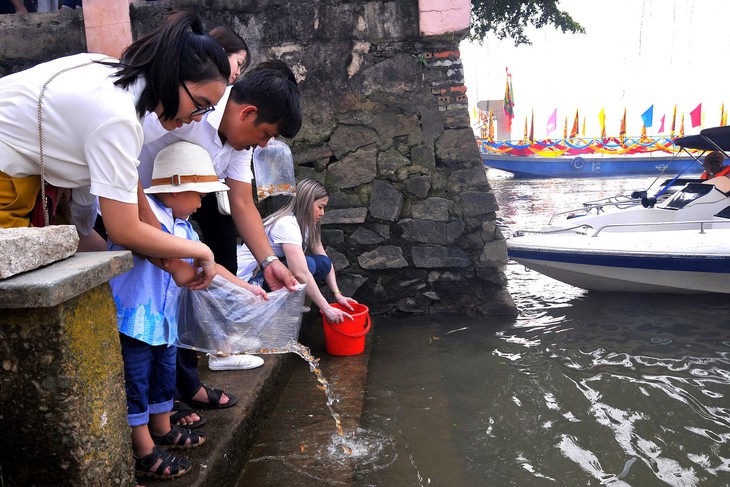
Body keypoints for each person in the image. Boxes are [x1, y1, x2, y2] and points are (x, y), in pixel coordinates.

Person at [0, 10, 230, 289]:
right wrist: (200, 251)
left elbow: (128, 193)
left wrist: (174, 262)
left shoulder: (110, 73)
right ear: (172, 76)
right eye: (200, 104)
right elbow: (125, 229)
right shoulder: (118, 116)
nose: (197, 118)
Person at [137, 60, 302, 418]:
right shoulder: (189, 113)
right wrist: (159, 242)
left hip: (171, 226)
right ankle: (158, 407)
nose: (264, 145)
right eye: (266, 135)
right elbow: (124, 170)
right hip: (132, 213)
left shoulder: (240, 147)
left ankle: (181, 389)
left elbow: (243, 202)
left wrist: (269, 262)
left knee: (176, 308)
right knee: (145, 324)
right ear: (248, 113)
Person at [110, 141, 268, 480]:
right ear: (178, 189)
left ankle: (162, 428)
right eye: (199, 194)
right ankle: (142, 448)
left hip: (164, 324)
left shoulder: (184, 229)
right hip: (135, 323)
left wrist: (247, 287)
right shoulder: (146, 219)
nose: (201, 203)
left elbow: (206, 265)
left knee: (162, 378)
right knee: (136, 382)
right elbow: (161, 248)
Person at [238, 178, 358, 324]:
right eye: (320, 207)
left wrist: (337, 294)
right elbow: (299, 272)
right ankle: (282, 305)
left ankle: (290, 300)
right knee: (307, 265)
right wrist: (327, 308)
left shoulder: (308, 224)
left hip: (270, 273)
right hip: (250, 282)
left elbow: (325, 260)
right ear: (307, 203)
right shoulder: (286, 224)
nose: (322, 213)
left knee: (322, 263)